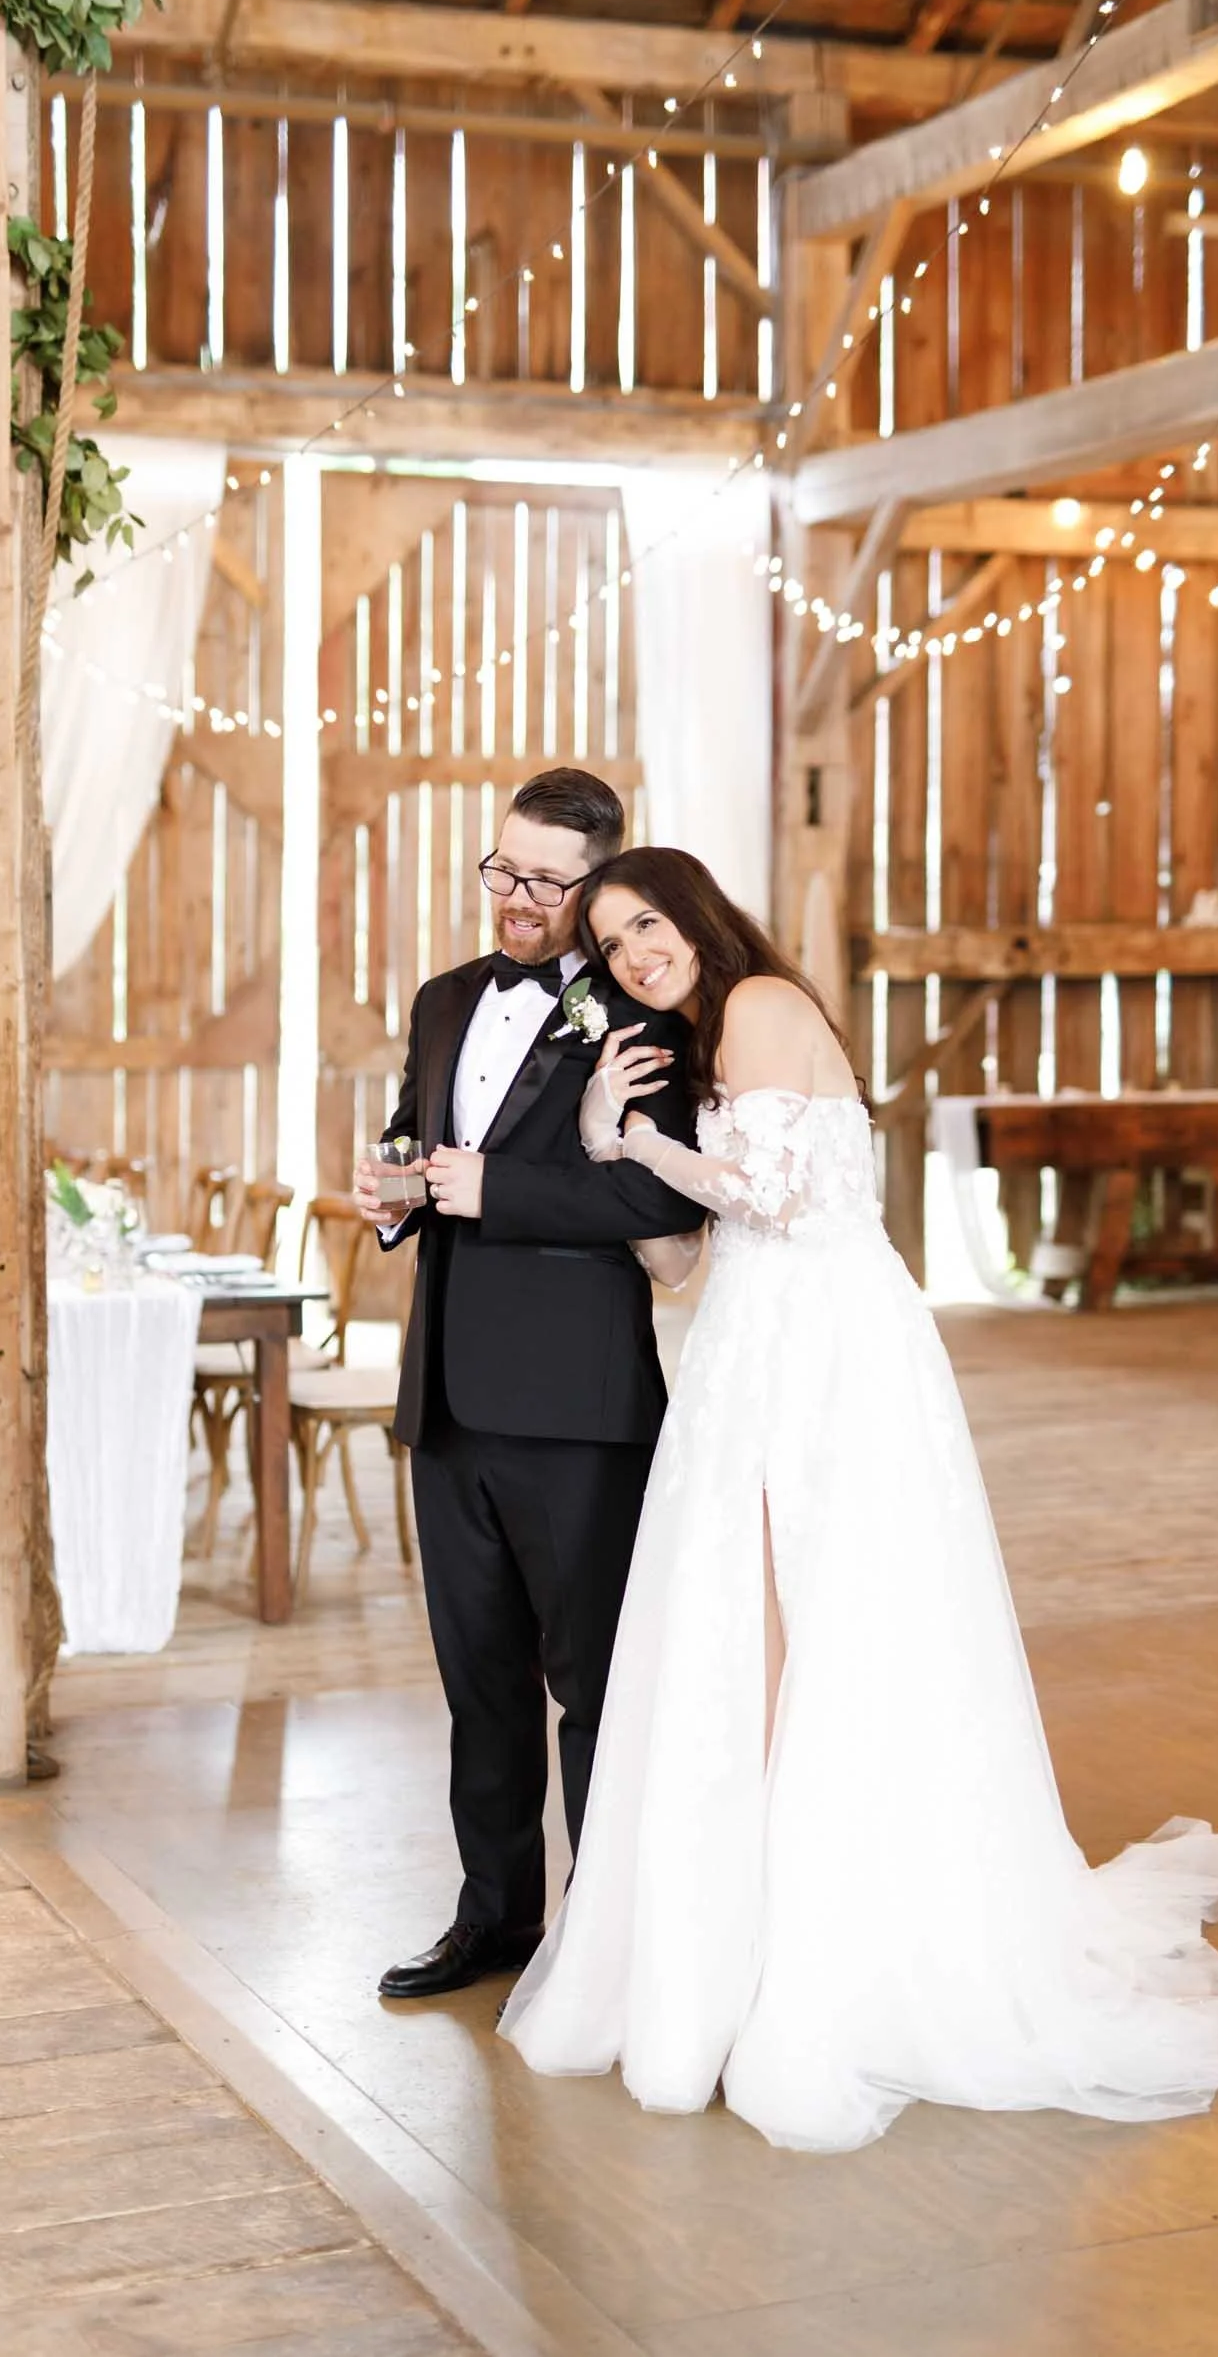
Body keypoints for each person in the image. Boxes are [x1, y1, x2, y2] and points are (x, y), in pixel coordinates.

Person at [480, 848, 1218, 2154]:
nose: (636, 953)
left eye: (646, 924)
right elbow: (685, 1259)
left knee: (814, 1638)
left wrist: (633, 1138)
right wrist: (606, 1147)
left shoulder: (755, 1003)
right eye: (611, 942)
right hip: (750, 1351)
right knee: (744, 1648)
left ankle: (809, 1952)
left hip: (824, 1355)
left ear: (695, 915)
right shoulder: (708, 1045)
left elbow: (784, 1197)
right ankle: (743, 1941)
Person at [354, 773, 701, 2002]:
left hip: (578, 1407)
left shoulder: (639, 1014)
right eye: (501, 871)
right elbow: (418, 1135)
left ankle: (600, 1939)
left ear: (596, 882)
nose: (516, 899)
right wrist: (391, 1190)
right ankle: (492, 1918)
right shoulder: (446, 997)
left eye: (547, 883)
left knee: (592, 1688)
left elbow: (660, 1201)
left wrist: (492, 1189)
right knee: (478, 1685)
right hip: (445, 1394)